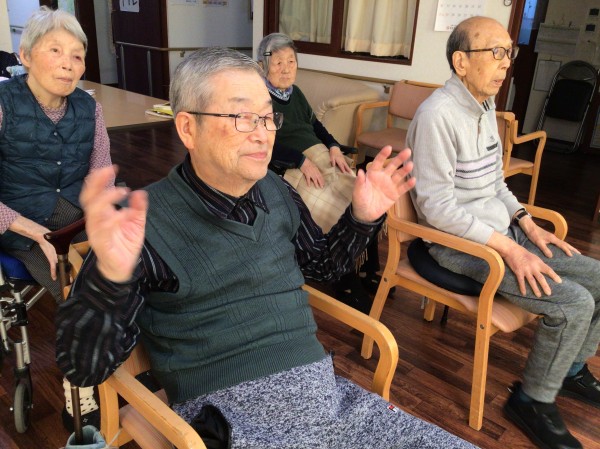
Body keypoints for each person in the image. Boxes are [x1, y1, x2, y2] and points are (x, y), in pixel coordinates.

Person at [55, 46, 477, 449]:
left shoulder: (276, 190)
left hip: (330, 401)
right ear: (188, 128)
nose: (263, 135)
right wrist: (109, 279)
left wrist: (362, 217)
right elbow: (83, 368)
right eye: (242, 117)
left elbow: (323, 267)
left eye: (267, 117)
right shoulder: (139, 223)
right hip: (232, 421)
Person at [406, 16, 600, 449]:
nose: (506, 63)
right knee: (573, 302)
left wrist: (528, 224)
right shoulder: (436, 115)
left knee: (599, 280)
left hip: (503, 233)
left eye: (508, 53)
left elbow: (496, 183)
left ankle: (570, 369)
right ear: (461, 62)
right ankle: (531, 401)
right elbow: (436, 209)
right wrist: (510, 250)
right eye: (495, 52)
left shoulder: (486, 106)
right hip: (458, 247)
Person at [0, 6, 114, 433]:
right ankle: (79, 386)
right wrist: (36, 234)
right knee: (77, 286)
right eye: (55, 50)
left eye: (78, 55)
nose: (69, 63)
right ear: (25, 55)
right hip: (19, 222)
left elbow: (100, 172)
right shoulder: (3, 103)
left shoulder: (89, 107)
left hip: (74, 215)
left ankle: (128, 364)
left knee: (138, 264)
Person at [257, 32, 383, 313]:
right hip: (289, 166)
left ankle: (367, 267)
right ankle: (345, 278)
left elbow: (316, 127)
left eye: (291, 61)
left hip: (322, 156)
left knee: (364, 197)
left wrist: (334, 146)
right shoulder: (260, 100)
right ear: (263, 66)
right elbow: (262, 145)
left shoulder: (296, 94)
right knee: (333, 206)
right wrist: (300, 161)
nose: (286, 69)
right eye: (278, 63)